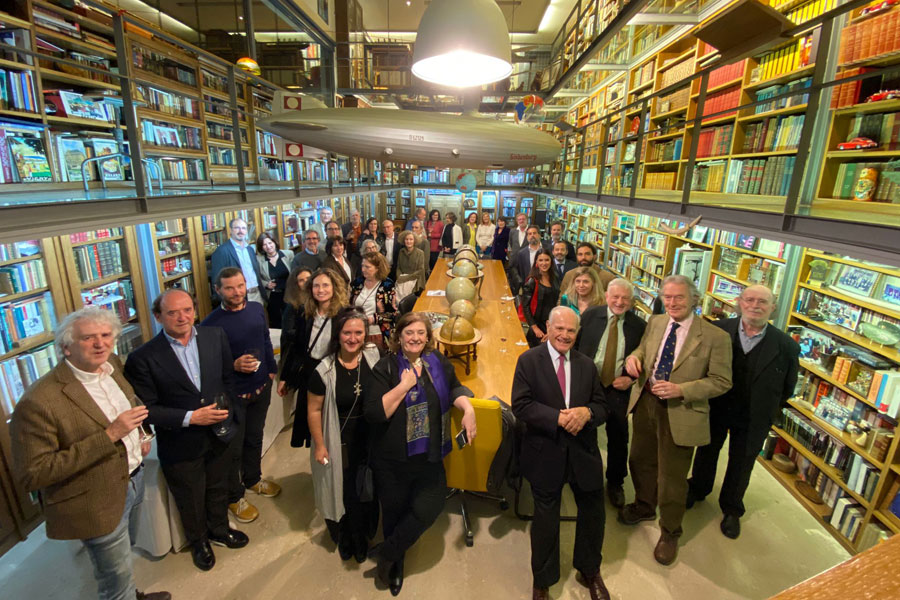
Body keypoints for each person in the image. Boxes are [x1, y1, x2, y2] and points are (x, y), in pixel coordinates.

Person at [10, 307, 170, 600]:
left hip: (133, 480)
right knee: (115, 577)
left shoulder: (111, 365)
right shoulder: (38, 401)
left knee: (124, 559)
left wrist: (140, 435)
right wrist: (110, 436)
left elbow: (125, 409)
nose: (100, 344)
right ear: (66, 347)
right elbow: (34, 473)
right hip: (93, 498)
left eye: (106, 335)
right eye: (88, 338)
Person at [124, 289, 249, 572]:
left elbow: (227, 380)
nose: (182, 317)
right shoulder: (142, 358)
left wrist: (232, 414)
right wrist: (191, 418)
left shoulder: (214, 336)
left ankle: (219, 529)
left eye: (188, 310)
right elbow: (147, 410)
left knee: (218, 486)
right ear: (158, 316)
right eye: (172, 312)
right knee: (190, 497)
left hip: (220, 433)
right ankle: (199, 542)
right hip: (180, 442)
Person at [620, 275, 733, 565]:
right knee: (640, 459)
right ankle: (645, 504)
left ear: (694, 299)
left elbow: (722, 381)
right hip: (646, 400)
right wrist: (634, 359)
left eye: (679, 297)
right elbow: (643, 351)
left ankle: (670, 530)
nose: (672, 303)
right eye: (667, 297)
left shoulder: (715, 337)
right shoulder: (656, 322)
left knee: (672, 476)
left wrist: (681, 390)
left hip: (681, 410)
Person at [364, 312, 477, 596]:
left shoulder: (437, 363)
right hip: (393, 460)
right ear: (399, 337)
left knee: (430, 505)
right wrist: (404, 385)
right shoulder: (385, 368)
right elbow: (376, 413)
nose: (415, 338)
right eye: (409, 333)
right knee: (393, 513)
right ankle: (395, 563)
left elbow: (454, 388)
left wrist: (469, 409)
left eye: (420, 333)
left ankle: (387, 552)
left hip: (429, 455)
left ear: (428, 337)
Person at [511, 306, 610, 600]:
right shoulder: (528, 361)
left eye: (571, 330)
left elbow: (603, 407)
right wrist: (557, 418)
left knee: (594, 512)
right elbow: (521, 405)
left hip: (583, 453)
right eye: (559, 329)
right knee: (546, 519)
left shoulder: (587, 365)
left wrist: (587, 413)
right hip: (546, 452)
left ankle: (589, 570)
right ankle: (543, 580)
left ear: (577, 333)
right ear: (548, 327)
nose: (564, 335)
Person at [687, 285, 799, 539]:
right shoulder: (719, 330)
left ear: (773, 308)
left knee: (742, 461)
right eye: (749, 300)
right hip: (717, 405)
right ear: (739, 302)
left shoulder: (786, 346)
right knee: (706, 450)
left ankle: (732, 508)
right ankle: (698, 488)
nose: (755, 306)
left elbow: (787, 388)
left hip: (754, 415)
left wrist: (766, 407)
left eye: (763, 301)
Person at [202, 267, 280, 525]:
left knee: (254, 438)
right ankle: (234, 496)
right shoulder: (210, 324)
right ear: (218, 290)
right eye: (229, 288)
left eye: (240, 286)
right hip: (233, 396)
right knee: (232, 449)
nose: (236, 292)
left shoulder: (257, 309)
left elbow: (266, 341)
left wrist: (271, 371)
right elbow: (207, 367)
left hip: (261, 389)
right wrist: (233, 365)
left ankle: (253, 479)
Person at [308, 307, 380, 563]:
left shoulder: (373, 356)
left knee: (366, 491)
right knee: (345, 491)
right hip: (339, 441)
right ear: (337, 335)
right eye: (347, 332)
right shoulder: (323, 371)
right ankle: (346, 535)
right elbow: (314, 410)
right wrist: (319, 445)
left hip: (369, 439)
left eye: (358, 332)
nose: (353, 338)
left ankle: (363, 535)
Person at [575, 279, 646, 509]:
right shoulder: (589, 316)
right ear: (606, 296)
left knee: (619, 436)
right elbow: (575, 348)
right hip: (588, 385)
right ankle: (580, 474)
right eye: (615, 297)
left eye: (625, 298)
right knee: (582, 430)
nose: (619, 302)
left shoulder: (639, 325)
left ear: (632, 301)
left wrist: (632, 379)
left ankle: (615, 482)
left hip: (618, 388)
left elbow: (646, 358)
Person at [283, 268, 349, 448]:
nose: (321, 290)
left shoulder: (344, 314)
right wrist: (286, 378)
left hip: (334, 371)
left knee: (333, 420)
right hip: (310, 374)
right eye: (316, 286)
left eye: (326, 285)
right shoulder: (305, 313)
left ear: (334, 287)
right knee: (313, 422)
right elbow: (297, 347)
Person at [350, 251, 397, 351]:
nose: (363, 270)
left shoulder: (387, 285)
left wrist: (372, 319)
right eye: (362, 266)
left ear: (378, 268)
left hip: (377, 333)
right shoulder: (357, 282)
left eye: (367, 267)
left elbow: (393, 314)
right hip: (356, 332)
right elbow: (349, 305)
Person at [209, 218, 263, 305]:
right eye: (237, 228)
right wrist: (227, 303)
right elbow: (216, 282)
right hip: (238, 297)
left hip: (257, 294)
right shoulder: (222, 251)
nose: (240, 231)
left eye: (243, 228)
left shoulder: (250, 249)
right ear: (230, 230)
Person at [520, 248, 559, 348]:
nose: (544, 263)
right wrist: (534, 328)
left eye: (547, 260)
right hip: (537, 326)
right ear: (536, 262)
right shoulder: (532, 281)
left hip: (551, 323)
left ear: (551, 261)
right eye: (541, 260)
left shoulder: (555, 277)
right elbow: (525, 306)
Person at [256, 233, 294, 328]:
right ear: (261, 247)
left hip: (289, 294)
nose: (268, 246)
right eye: (264, 245)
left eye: (270, 242)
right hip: (272, 296)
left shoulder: (288, 254)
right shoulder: (258, 260)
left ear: (274, 242)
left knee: (291, 321)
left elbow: (295, 273)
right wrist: (266, 284)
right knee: (276, 323)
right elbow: (256, 277)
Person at [510, 225, 544, 293]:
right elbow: (517, 269)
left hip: (544, 286)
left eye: (534, 233)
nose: (532, 235)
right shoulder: (521, 253)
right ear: (527, 237)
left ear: (539, 235)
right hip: (528, 286)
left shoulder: (547, 250)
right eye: (529, 234)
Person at [396, 230, 426, 297]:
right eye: (406, 239)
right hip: (402, 282)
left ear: (414, 241)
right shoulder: (401, 251)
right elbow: (399, 267)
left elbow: (420, 270)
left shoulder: (420, 253)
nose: (408, 241)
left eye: (411, 239)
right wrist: (399, 277)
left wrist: (406, 278)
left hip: (416, 284)